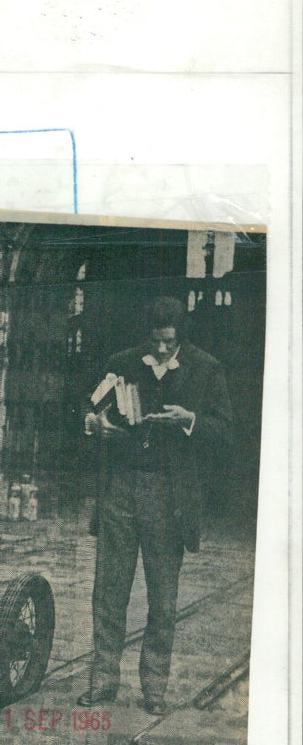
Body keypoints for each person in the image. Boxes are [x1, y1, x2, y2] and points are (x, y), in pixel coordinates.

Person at [78, 296, 233, 715]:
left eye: (169, 342)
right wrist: (95, 425)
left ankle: (154, 688)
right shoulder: (121, 363)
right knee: (108, 593)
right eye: (155, 341)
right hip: (121, 491)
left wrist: (189, 420)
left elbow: (225, 430)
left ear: (180, 336)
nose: (161, 350)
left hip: (170, 498)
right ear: (144, 335)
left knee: (163, 600)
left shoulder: (206, 368)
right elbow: (91, 407)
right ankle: (104, 681)